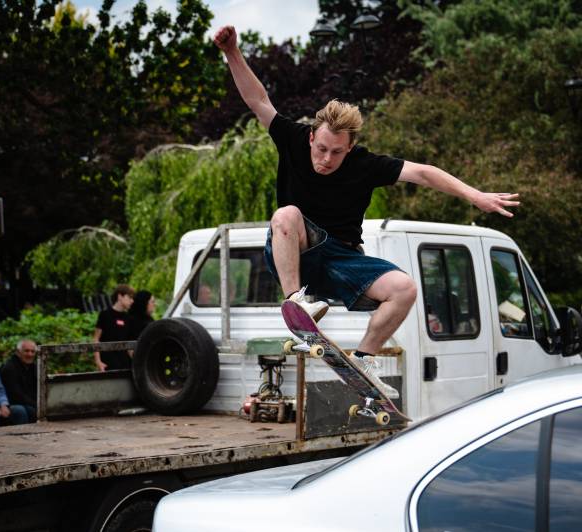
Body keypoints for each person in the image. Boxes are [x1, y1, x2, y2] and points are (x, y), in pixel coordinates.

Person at [213, 25, 519, 398]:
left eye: (337, 152)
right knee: (286, 215)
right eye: (321, 149)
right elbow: (258, 99)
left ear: (350, 147)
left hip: (343, 259)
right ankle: (296, 303)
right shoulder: (293, 137)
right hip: (298, 250)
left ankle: (363, 359)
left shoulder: (365, 164)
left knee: (404, 289)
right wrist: (232, 52)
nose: (326, 159)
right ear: (311, 136)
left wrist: (475, 195)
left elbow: (422, 173)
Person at [93, 284, 134, 372]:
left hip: (125, 365)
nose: (132, 301)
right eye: (129, 297)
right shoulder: (104, 315)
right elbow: (96, 339)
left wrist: (136, 363)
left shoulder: (129, 318)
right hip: (107, 364)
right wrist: (98, 361)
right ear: (120, 296)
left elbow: (129, 345)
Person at [0, 339, 38, 423]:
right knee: (28, 411)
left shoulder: (34, 367)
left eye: (32, 351)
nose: (30, 354)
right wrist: (36, 404)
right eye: (26, 351)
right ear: (18, 352)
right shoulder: (9, 368)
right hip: (12, 403)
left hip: (28, 403)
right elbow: (16, 395)